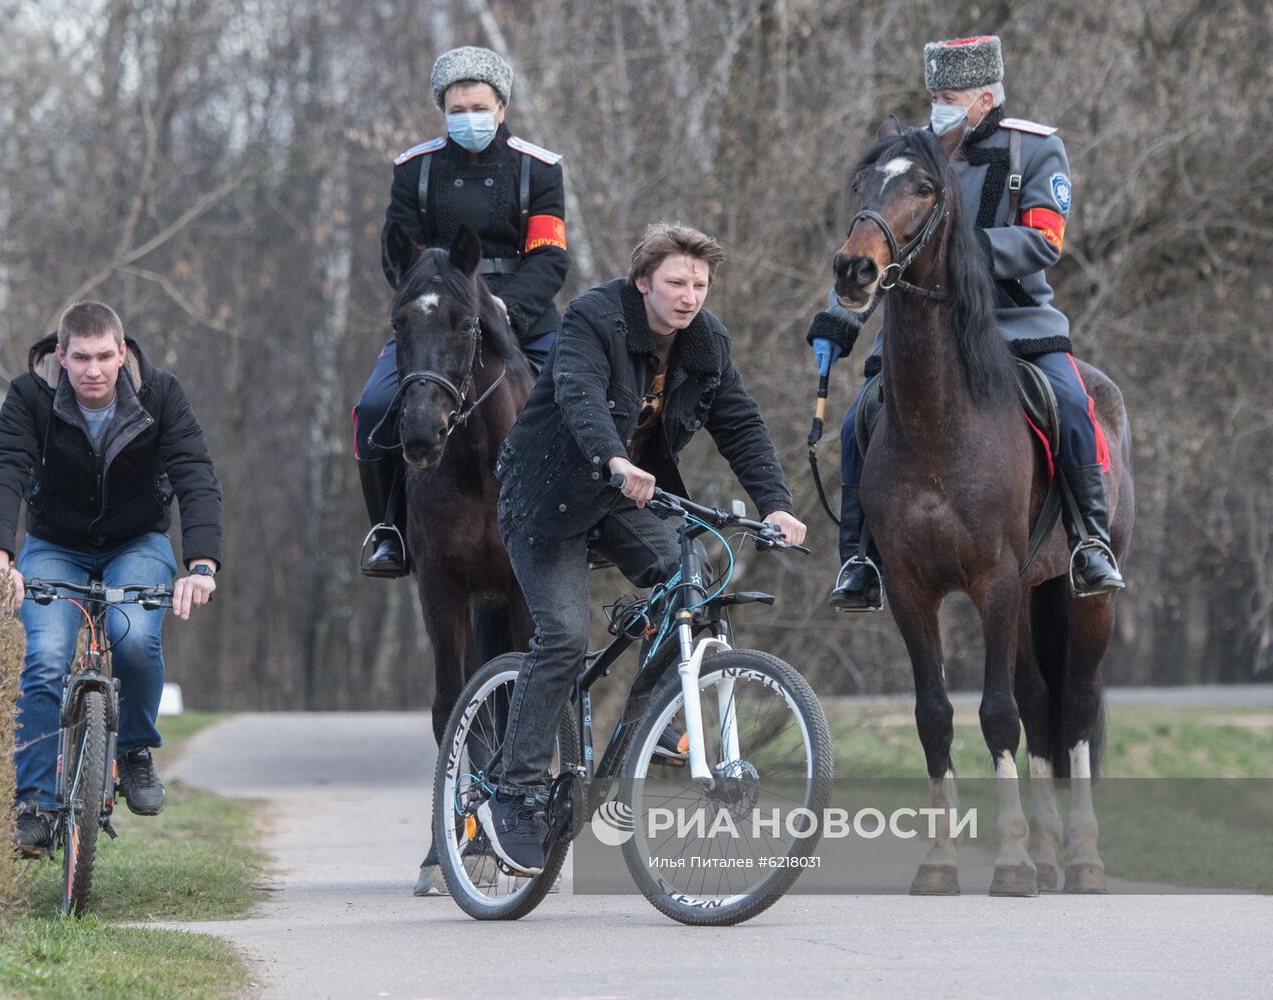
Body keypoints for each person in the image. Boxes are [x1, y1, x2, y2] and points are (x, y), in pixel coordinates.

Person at [478, 223, 807, 875]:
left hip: (624, 498)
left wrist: (776, 504)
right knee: (565, 635)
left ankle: (658, 725)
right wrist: (614, 457)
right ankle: (512, 794)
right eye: (676, 283)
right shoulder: (594, 318)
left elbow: (739, 422)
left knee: (697, 578)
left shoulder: (707, 341)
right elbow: (577, 393)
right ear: (642, 283)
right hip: (545, 499)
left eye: (700, 285)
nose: (689, 297)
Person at [810, 34, 1124, 611]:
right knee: (861, 419)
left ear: (984, 98)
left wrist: (962, 251)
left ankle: (1089, 542)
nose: (939, 106)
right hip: (923, 334)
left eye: (949, 95)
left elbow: (1043, 240)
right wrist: (840, 318)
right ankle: (858, 559)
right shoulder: (912, 156)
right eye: (933, 95)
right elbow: (883, 243)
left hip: (1015, 321)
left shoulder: (1035, 151)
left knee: (1075, 405)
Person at [0, 301, 222, 856]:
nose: (93, 370)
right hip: (53, 546)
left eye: (104, 357)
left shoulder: (160, 394)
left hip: (138, 543)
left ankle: (134, 751)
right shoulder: (29, 396)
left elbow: (196, 476)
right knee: (44, 654)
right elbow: (3, 469)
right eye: (81, 357)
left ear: (123, 353)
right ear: (60, 355)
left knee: (134, 637)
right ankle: (34, 805)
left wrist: (201, 566)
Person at [354, 44, 569, 577]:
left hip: (522, 314)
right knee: (375, 405)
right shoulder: (414, 171)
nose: (467, 118)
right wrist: (442, 301)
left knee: (582, 401)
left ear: (501, 108)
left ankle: (592, 523)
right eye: (456, 109)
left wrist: (507, 306)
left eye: (478, 107)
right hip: (437, 318)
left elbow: (549, 257)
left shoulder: (539, 170)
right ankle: (389, 530)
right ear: (442, 110)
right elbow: (396, 252)